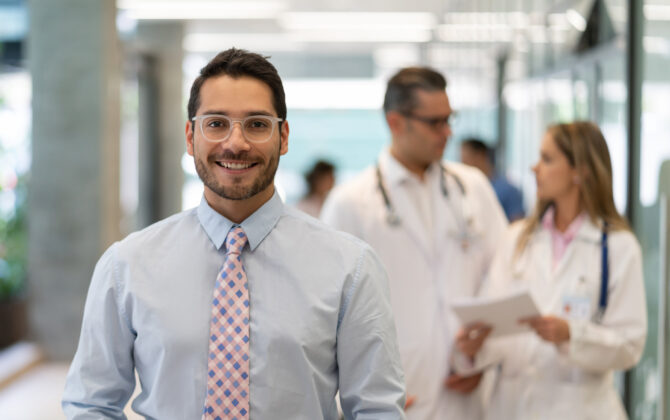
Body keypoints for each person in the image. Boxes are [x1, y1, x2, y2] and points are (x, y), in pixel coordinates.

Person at [62, 48, 406, 419]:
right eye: (216, 123)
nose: (236, 143)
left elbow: (376, 409)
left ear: (283, 136)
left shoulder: (350, 269)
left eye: (257, 124)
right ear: (191, 136)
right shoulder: (126, 265)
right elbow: (91, 404)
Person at [320, 67, 507, 420]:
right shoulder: (351, 203)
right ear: (395, 122)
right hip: (391, 401)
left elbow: (503, 277)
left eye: (450, 119)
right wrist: (354, 397)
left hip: (467, 393)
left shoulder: (473, 188)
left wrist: (484, 354)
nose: (448, 132)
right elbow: (328, 314)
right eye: (435, 122)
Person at [455, 122, 647, 420]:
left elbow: (630, 346)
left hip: (581, 409)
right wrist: (475, 346)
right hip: (512, 405)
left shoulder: (618, 247)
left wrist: (571, 334)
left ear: (579, 171)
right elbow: (491, 316)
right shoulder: (518, 237)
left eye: (547, 159)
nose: (534, 168)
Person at [460, 138, 525, 222]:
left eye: (465, 159)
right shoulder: (465, 189)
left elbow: (518, 225)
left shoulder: (508, 190)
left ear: (480, 155)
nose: (461, 165)